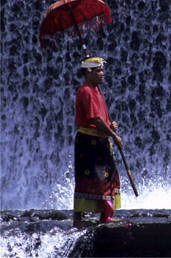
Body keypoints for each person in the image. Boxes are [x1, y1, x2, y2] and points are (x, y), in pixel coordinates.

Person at [73, 57, 123, 227]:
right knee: (89, 177)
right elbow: (95, 118)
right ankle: (79, 218)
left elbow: (102, 118)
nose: (102, 74)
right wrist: (114, 135)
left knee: (106, 177)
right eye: (98, 71)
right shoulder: (86, 91)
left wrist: (111, 125)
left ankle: (104, 215)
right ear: (88, 72)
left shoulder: (97, 90)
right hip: (89, 142)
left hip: (99, 140)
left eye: (102, 70)